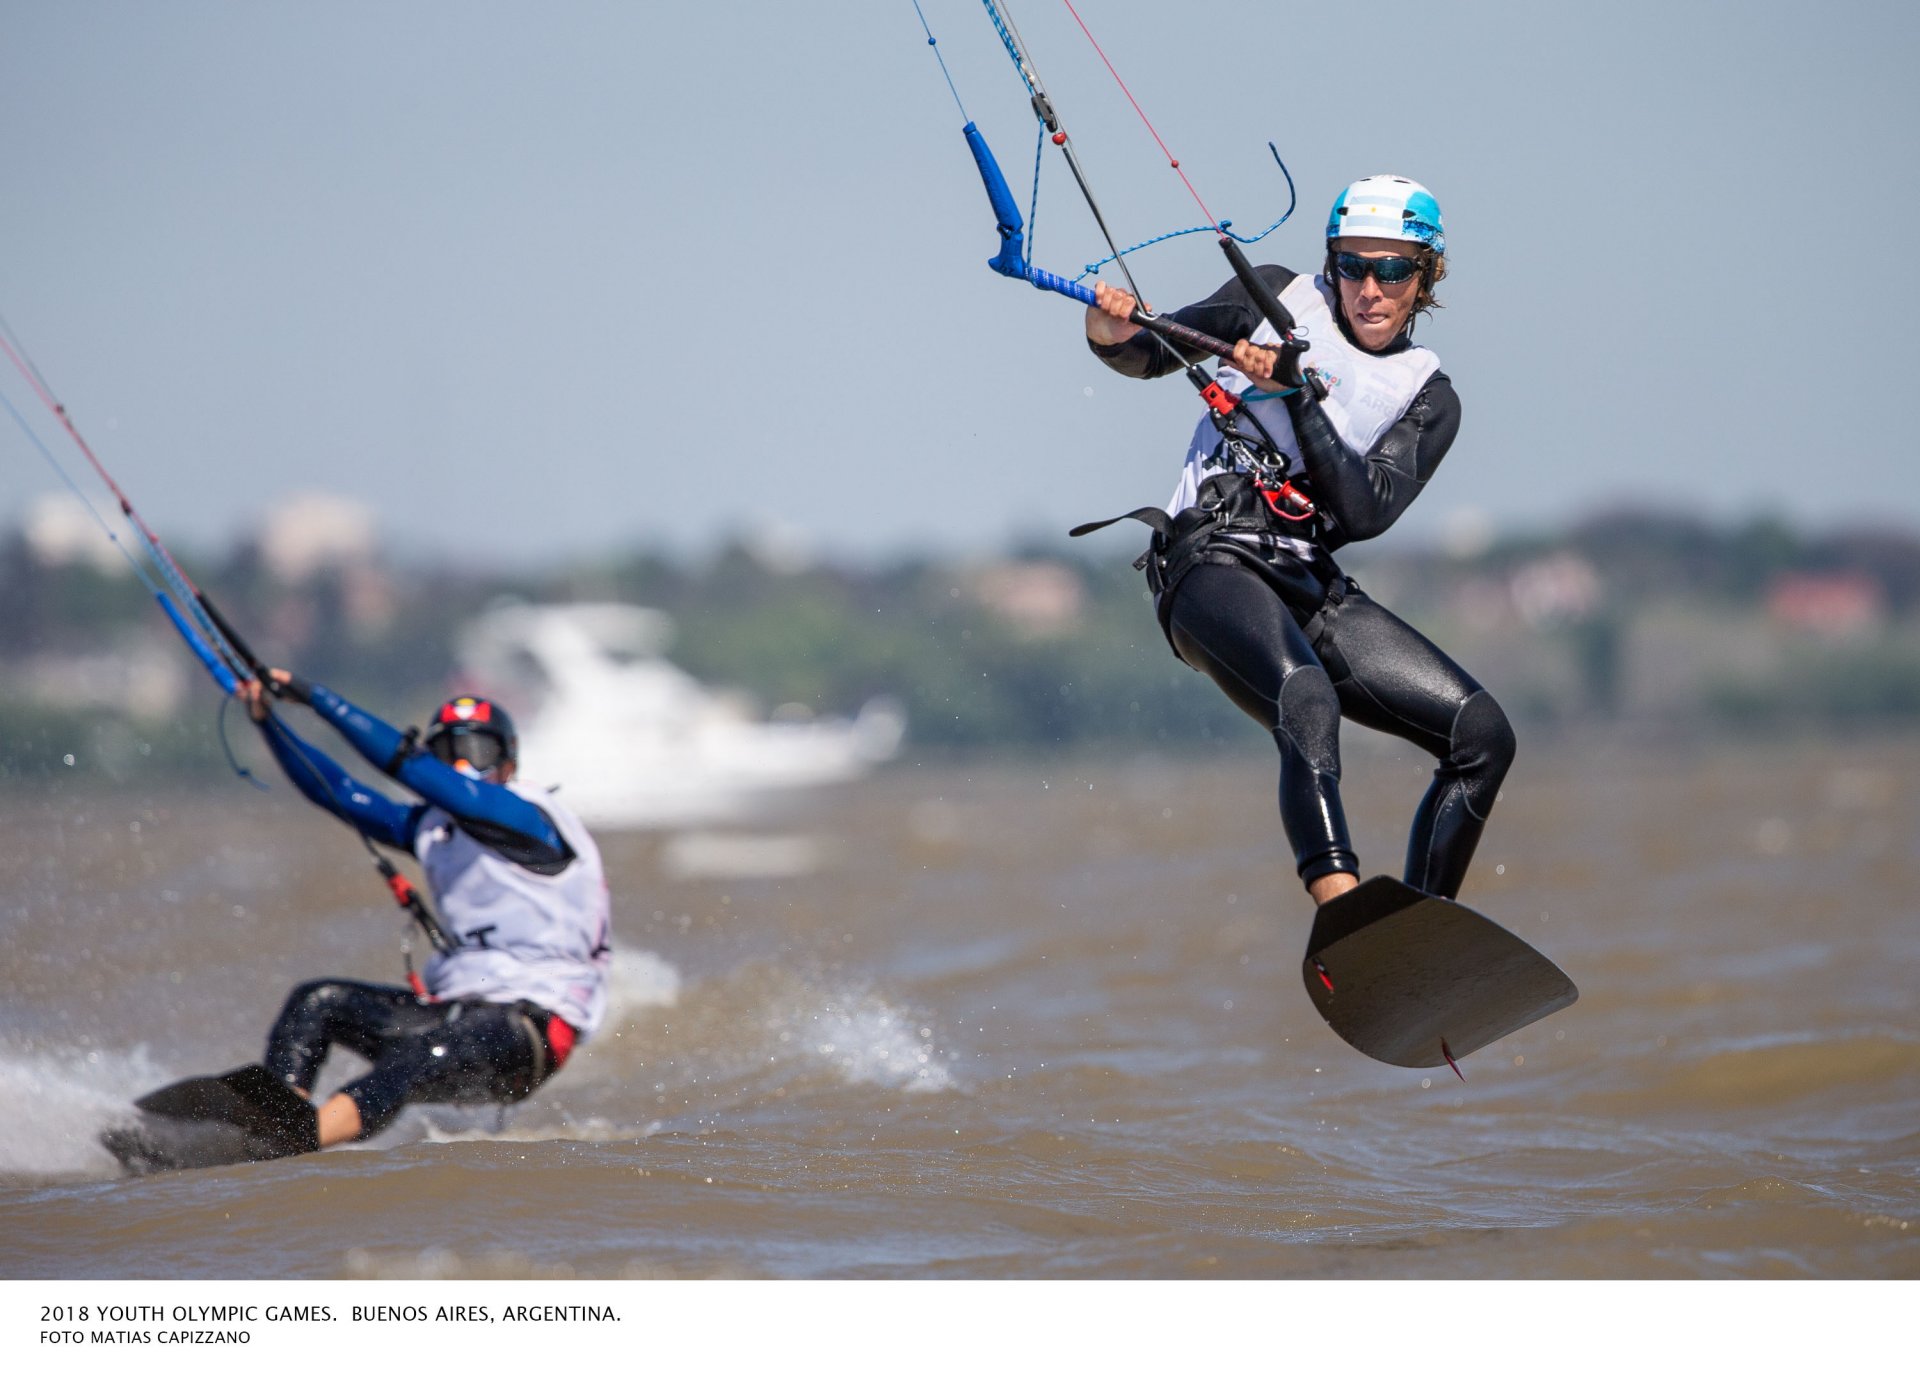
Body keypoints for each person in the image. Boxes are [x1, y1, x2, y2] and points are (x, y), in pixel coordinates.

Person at [1082, 175, 1514, 908]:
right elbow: (1149, 350)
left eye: (1392, 270)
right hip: (1208, 560)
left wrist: (1295, 392)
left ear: (1426, 275)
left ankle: (1420, 933)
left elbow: (1365, 510)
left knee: (1483, 738)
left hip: (1307, 580)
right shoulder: (1275, 296)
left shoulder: (1428, 396)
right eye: (1351, 266)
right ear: (1331, 263)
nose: (1369, 290)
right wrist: (1109, 329)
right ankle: (1343, 910)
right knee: (1305, 695)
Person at [234, 672, 612, 1150]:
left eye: (478, 751)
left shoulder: (527, 819)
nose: (461, 765)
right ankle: (273, 1121)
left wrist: (315, 696)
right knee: (318, 1001)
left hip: (530, 1029)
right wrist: (268, 723)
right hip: (458, 1012)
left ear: (509, 763)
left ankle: (287, 1146)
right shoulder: (431, 829)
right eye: (447, 753)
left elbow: (404, 766)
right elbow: (337, 791)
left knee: (412, 1060)